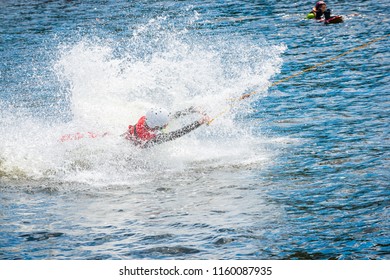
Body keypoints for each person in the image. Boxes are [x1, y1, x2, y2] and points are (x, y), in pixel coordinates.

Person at [123, 106, 211, 148]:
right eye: (165, 124)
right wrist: (199, 122)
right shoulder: (149, 139)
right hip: (129, 149)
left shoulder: (147, 120)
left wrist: (193, 109)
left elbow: (172, 116)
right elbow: (177, 134)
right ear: (157, 126)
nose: (167, 123)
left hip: (126, 137)